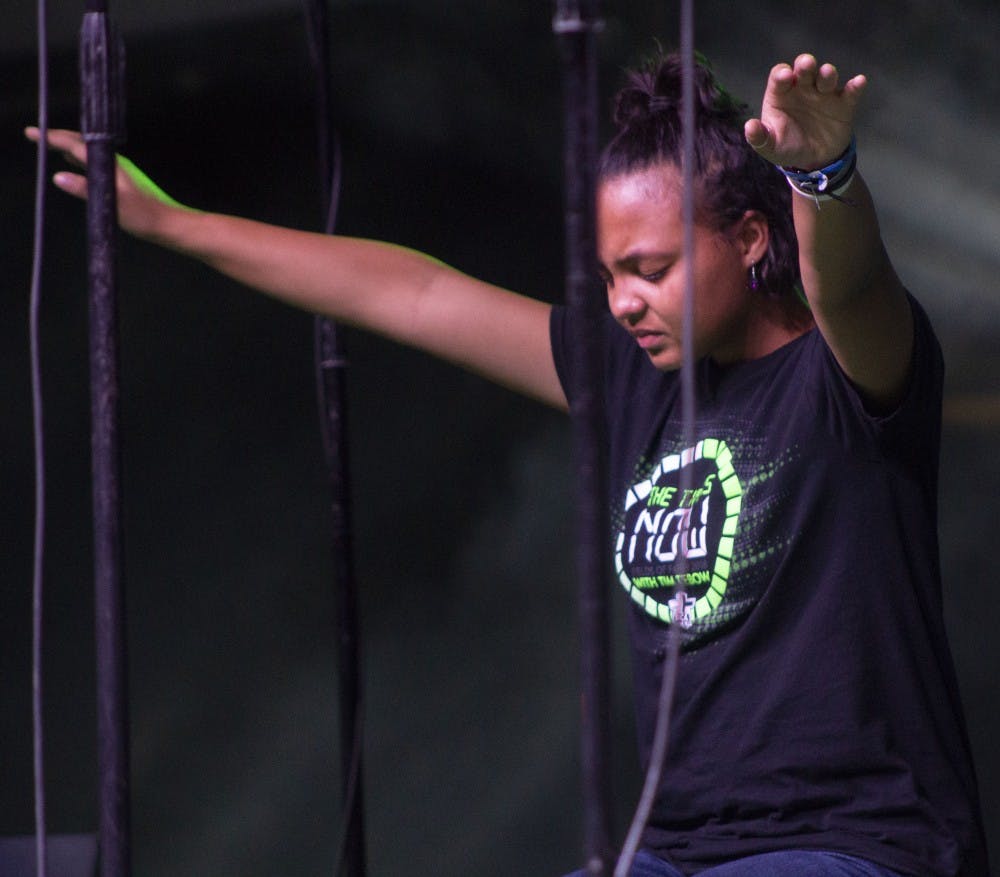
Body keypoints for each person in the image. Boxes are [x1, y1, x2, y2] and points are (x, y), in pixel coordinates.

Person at [28, 50, 988, 876]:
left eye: (649, 269)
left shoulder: (848, 369)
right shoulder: (633, 378)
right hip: (680, 852)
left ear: (747, 238)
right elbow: (415, 295)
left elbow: (851, 280)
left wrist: (823, 177)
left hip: (860, 847)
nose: (621, 302)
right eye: (608, 276)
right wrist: (171, 222)